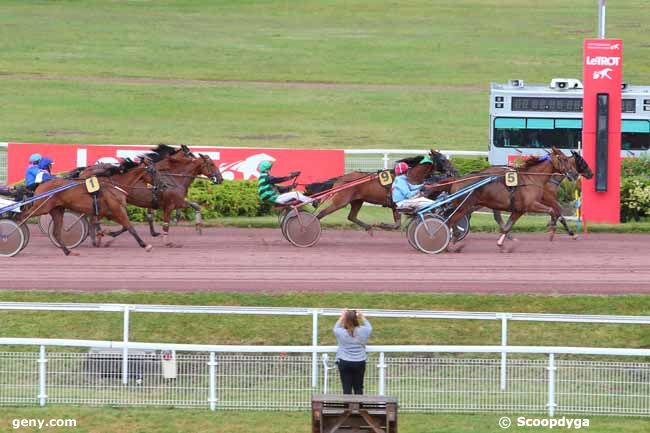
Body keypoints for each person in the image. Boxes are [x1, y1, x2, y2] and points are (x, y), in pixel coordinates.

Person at [333, 309, 372, 395]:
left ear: (345, 320)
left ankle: (347, 408)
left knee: (346, 388)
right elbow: (370, 327)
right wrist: (362, 316)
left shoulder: (340, 332)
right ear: (356, 319)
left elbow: (335, 328)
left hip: (344, 361)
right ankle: (359, 408)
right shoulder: (364, 331)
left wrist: (342, 317)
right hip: (360, 361)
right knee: (358, 387)